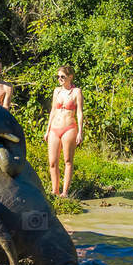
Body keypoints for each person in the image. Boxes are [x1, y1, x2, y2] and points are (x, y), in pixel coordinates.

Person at [45, 65, 83, 198]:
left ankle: (64, 192)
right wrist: (47, 129)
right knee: (52, 162)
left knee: (68, 160)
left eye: (62, 76)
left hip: (69, 128)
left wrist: (80, 132)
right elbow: (53, 111)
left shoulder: (76, 91)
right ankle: (54, 191)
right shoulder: (56, 91)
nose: (59, 79)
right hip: (55, 128)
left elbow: (79, 113)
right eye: (58, 76)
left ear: (70, 77)